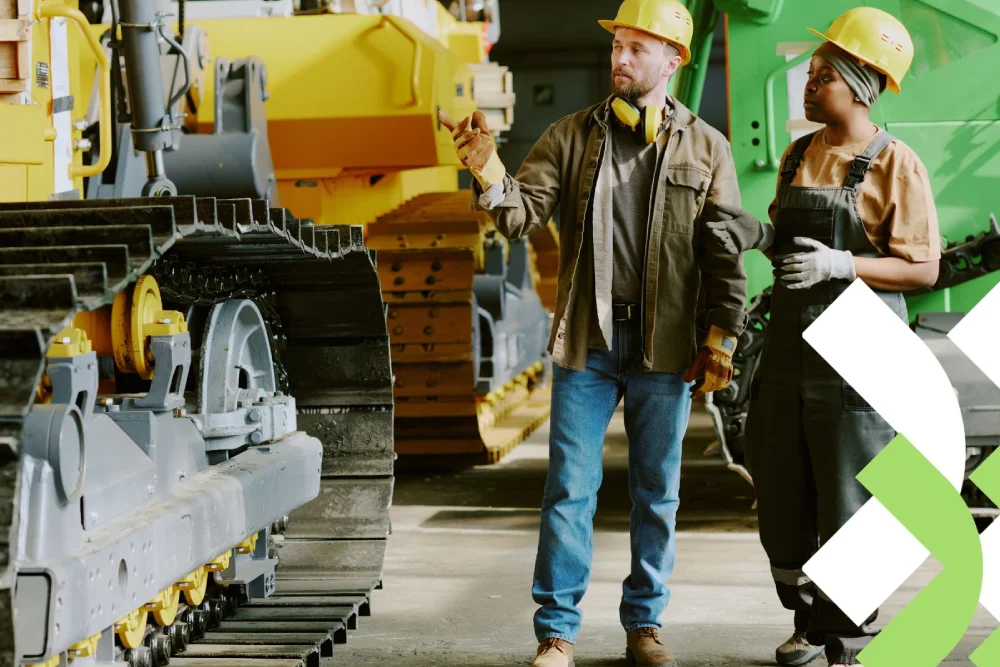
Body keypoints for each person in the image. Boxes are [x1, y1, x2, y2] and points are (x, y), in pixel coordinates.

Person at [438, 0, 748, 664]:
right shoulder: (570, 136)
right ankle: (557, 630)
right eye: (616, 46)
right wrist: (488, 168)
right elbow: (521, 216)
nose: (620, 58)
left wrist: (722, 336)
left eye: (637, 48)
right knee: (570, 489)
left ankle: (645, 625)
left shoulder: (707, 148)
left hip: (664, 348)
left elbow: (725, 253)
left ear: (674, 60)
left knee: (656, 492)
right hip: (588, 342)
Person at [706, 8, 940, 667]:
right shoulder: (796, 155)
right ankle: (806, 622)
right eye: (808, 75)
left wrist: (846, 264)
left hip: (859, 361)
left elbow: (923, 265)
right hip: (789, 355)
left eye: (823, 76)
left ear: (864, 81)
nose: (809, 86)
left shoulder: (894, 163)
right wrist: (753, 232)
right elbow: (787, 239)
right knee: (784, 490)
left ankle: (847, 635)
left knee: (849, 494)